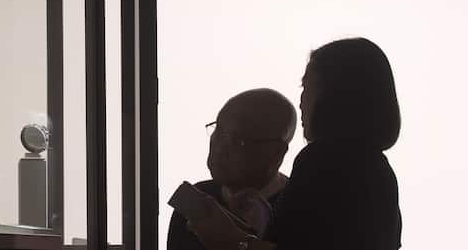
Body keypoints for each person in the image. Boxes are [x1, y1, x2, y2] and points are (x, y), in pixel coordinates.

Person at [188, 38, 402, 250]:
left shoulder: (324, 162)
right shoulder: (379, 171)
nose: (301, 100)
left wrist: (235, 241)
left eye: (307, 87)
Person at [168, 88, 298, 250]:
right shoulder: (196, 200)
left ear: (276, 152)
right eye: (219, 130)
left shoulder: (301, 208)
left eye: (237, 140)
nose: (220, 147)